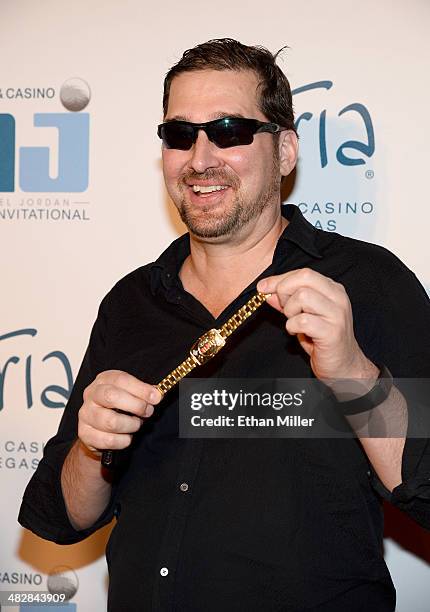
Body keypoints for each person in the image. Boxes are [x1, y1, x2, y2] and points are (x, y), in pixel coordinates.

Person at [19, 38, 430, 611]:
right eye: (179, 135)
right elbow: (61, 517)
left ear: (285, 151)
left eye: (230, 131)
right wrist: (92, 449)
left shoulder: (367, 283)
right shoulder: (132, 300)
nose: (200, 158)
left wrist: (352, 373)